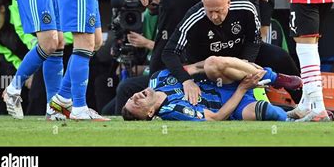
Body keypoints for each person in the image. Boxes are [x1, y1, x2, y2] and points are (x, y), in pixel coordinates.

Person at [161, 0, 302, 106]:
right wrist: (186, 81)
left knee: (280, 56)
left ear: (229, 2)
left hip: (242, 57)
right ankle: (271, 78)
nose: (214, 16)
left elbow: (254, 39)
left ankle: (304, 103)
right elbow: (169, 53)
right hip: (208, 66)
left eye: (219, 11)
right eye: (209, 11)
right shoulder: (193, 17)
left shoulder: (245, 8)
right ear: (203, 4)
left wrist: (246, 62)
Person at [122, 57, 293, 121]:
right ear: (151, 112)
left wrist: (240, 65)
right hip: (231, 104)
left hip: (223, 81)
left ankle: (273, 77)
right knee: (268, 112)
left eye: (131, 98)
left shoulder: (158, 78)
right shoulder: (173, 110)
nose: (136, 97)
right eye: (137, 104)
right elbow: (217, 117)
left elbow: (196, 67)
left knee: (213, 63)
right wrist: (242, 89)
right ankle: (293, 116)